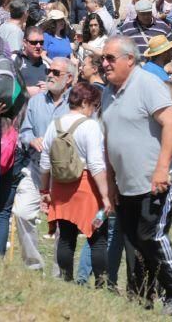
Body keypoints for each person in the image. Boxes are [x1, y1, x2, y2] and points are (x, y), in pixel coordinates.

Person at [101, 36, 172, 315]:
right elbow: (109, 140)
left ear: (130, 59)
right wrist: (112, 181)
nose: (104, 63)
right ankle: (142, 296)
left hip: (159, 179)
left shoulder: (147, 84)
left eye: (110, 58)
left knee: (152, 235)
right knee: (135, 240)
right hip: (127, 183)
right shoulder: (108, 92)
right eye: (102, 58)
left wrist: (162, 168)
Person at [38, 81, 110, 286]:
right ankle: (101, 283)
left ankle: (66, 279)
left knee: (66, 237)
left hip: (60, 187)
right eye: (95, 105)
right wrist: (105, 196)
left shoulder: (55, 124)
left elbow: (45, 162)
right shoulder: (90, 126)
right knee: (97, 237)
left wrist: (44, 190)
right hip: (87, 187)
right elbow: (96, 164)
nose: (95, 110)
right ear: (86, 102)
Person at [15, 56, 77, 269]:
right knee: (22, 212)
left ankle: (59, 271)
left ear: (69, 78)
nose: (49, 75)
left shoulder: (77, 103)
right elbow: (24, 131)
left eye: (55, 72)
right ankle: (33, 265)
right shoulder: (36, 101)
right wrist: (31, 139)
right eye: (49, 71)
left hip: (64, 173)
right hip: (34, 169)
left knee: (62, 224)